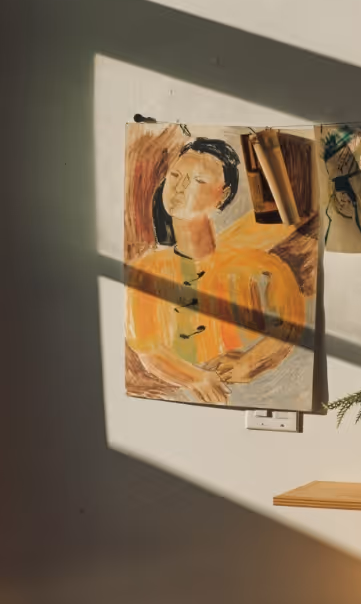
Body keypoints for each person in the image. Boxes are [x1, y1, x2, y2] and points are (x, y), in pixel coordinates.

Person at [126, 136, 306, 406]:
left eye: (198, 181)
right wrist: (194, 377)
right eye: (175, 175)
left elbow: (291, 326)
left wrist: (251, 362)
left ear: (221, 196)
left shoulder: (263, 267)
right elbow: (148, 349)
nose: (180, 187)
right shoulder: (146, 271)